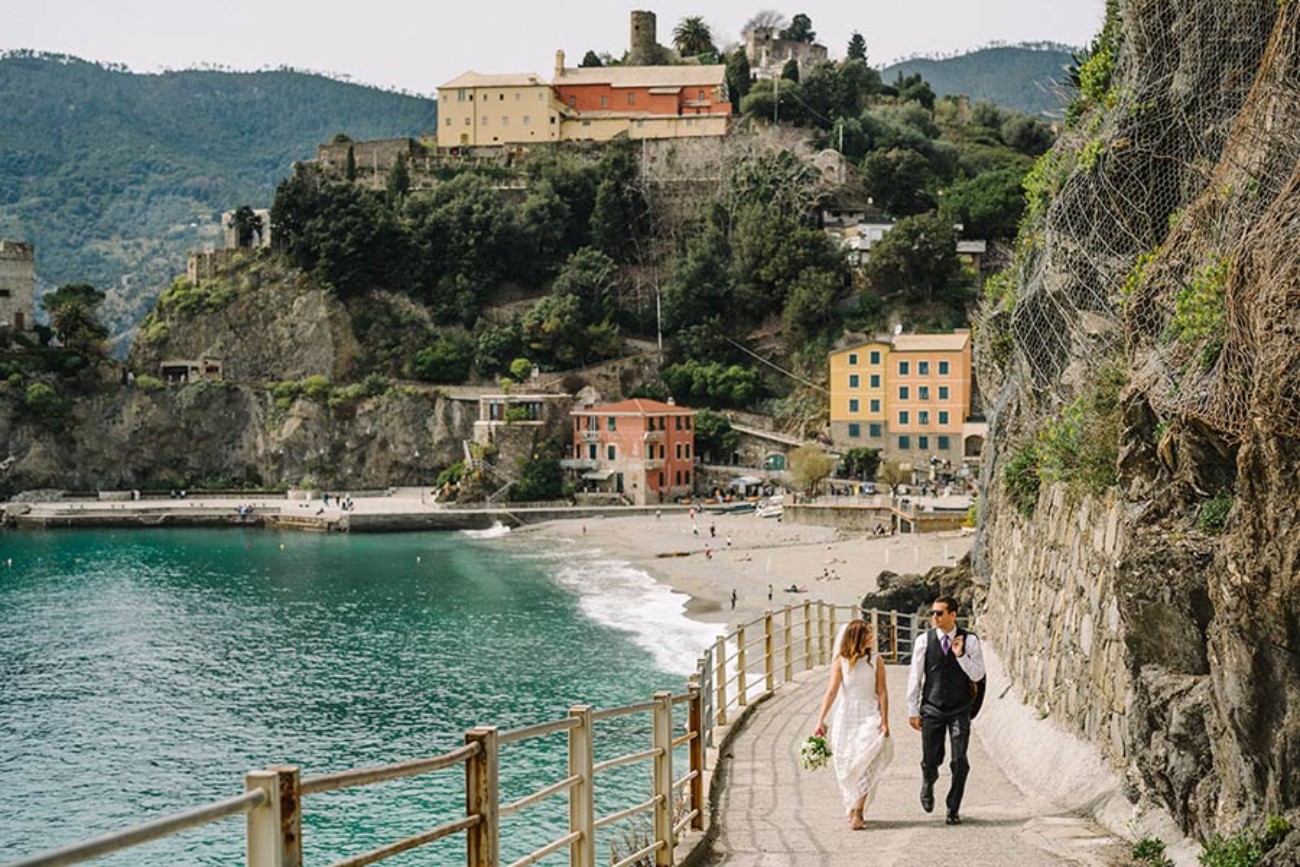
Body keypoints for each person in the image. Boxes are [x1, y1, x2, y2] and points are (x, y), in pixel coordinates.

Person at [906, 596, 986, 826]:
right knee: (932, 759)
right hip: (932, 707)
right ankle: (928, 781)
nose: (934, 617)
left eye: (939, 613)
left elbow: (978, 675)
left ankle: (953, 808)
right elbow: (915, 677)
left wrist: (960, 655)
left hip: (960, 708)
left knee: (960, 760)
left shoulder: (969, 641)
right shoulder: (924, 641)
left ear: (953, 614)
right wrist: (913, 709)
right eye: (933, 613)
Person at [813, 619, 893, 830]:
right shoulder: (841, 661)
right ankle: (850, 803)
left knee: (866, 759)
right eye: (868, 634)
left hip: (869, 714)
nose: (872, 638)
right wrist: (820, 719)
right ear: (857, 637)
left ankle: (859, 809)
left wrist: (884, 720)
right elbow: (831, 692)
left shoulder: (876, 660)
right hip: (846, 716)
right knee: (846, 762)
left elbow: (882, 691)